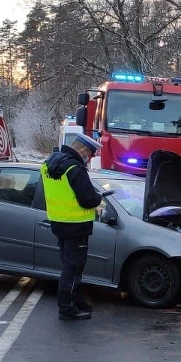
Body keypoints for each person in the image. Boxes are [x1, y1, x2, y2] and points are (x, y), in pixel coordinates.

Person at [41, 133, 104, 321]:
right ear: (83, 150)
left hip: (58, 223)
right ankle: (67, 308)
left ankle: (74, 301)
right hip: (76, 226)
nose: (89, 158)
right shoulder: (74, 168)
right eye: (90, 155)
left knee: (69, 265)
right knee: (73, 268)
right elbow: (87, 199)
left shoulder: (48, 165)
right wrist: (99, 198)